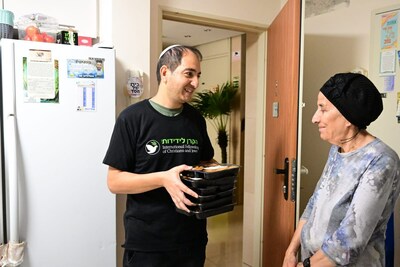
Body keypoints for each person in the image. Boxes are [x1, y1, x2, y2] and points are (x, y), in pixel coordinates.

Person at [103, 45, 214, 267]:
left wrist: (218, 174)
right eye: (189, 74)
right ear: (165, 72)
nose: (196, 83)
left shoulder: (195, 119)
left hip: (192, 239)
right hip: (148, 243)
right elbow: (114, 182)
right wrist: (163, 178)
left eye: (198, 75)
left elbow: (205, 162)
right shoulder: (132, 118)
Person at [282, 73, 400, 266]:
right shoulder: (337, 149)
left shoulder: (381, 160)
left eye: (322, 109)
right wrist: (291, 251)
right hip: (311, 260)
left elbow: (350, 241)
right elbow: (314, 204)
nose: (314, 118)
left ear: (347, 117)